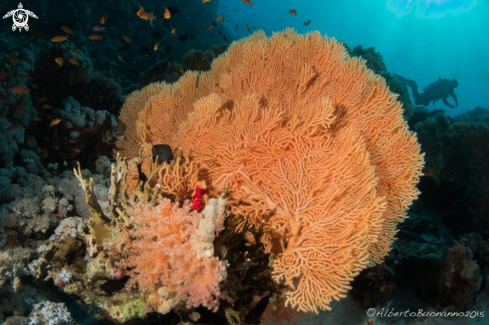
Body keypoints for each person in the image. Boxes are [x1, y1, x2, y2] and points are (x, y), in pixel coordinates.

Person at [394, 73, 459, 109]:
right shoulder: (446, 89)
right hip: (429, 96)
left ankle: (411, 84)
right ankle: (412, 84)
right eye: (454, 86)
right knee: (416, 99)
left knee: (417, 100)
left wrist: (455, 101)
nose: (453, 88)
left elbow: (452, 95)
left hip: (429, 95)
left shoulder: (447, 88)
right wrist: (451, 104)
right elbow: (446, 99)